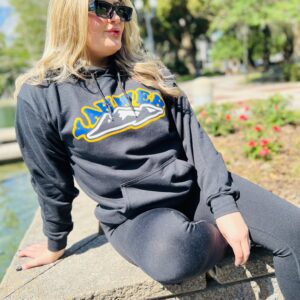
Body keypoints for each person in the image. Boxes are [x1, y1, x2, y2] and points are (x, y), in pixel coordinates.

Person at [14, 0, 299, 298]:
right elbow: (51, 183)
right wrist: (54, 242)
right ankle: (229, 236)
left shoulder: (149, 73)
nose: (117, 19)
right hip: (136, 217)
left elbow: (197, 143)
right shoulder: (40, 96)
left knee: (294, 231)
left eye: (123, 11)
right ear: (67, 12)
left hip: (197, 190)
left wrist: (224, 207)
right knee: (177, 254)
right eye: (102, 8)